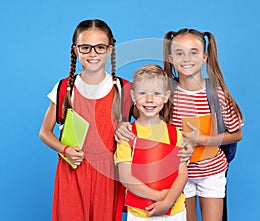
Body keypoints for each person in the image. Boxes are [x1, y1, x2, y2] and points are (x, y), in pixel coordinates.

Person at [39, 19, 130, 221]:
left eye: (99, 48)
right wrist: (65, 150)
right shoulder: (64, 89)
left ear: (110, 50)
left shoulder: (124, 90)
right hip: (72, 172)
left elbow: (148, 129)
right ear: (75, 50)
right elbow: (44, 132)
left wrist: (128, 128)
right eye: (85, 48)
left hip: (108, 175)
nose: (92, 54)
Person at [163, 28, 243, 221]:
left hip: (212, 172)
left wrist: (204, 139)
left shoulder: (216, 93)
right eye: (179, 53)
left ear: (205, 57)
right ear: (171, 58)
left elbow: (237, 133)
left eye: (193, 52)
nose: (186, 58)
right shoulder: (166, 93)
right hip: (179, 174)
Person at [114, 64, 188, 221]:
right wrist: (158, 196)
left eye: (156, 93)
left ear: (166, 96)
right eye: (142, 93)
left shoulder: (174, 134)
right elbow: (126, 177)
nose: (149, 99)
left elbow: (182, 173)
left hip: (175, 211)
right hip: (141, 213)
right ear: (133, 97)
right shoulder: (127, 135)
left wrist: (167, 202)